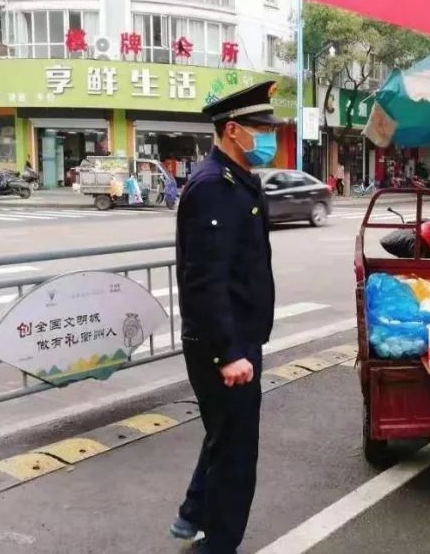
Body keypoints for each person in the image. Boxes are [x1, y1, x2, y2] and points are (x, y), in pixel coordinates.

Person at [170, 80, 283, 553]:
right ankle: (217, 545)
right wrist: (228, 353)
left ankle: (193, 512)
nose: (269, 137)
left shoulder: (237, 181)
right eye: (261, 128)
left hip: (238, 337)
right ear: (232, 130)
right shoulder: (214, 187)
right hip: (224, 345)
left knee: (224, 432)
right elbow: (205, 280)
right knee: (237, 452)